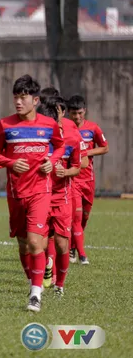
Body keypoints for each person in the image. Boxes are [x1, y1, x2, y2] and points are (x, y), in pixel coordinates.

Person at [0, 74, 65, 312]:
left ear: (35, 100)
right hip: (15, 193)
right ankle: (33, 279)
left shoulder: (48, 124)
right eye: (15, 97)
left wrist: (51, 161)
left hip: (41, 190)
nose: (18, 102)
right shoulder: (5, 125)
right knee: (23, 244)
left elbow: (60, 146)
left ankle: (35, 294)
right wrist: (10, 163)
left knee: (35, 242)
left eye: (23, 98)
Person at [36, 101, 82, 298]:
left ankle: (60, 284)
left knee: (63, 245)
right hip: (39, 196)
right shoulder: (35, 141)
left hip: (62, 197)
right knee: (40, 244)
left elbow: (78, 166)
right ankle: (47, 264)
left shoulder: (71, 139)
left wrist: (66, 172)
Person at [66, 94, 109, 265]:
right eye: (73, 113)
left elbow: (105, 148)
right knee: (75, 218)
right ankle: (82, 255)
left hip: (89, 181)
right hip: (73, 180)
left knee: (83, 219)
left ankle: (73, 247)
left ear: (85, 111)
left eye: (80, 113)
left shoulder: (93, 128)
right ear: (68, 113)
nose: (77, 117)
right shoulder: (65, 129)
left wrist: (84, 152)